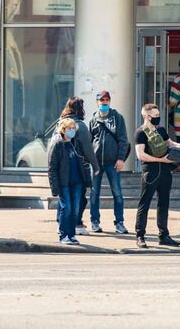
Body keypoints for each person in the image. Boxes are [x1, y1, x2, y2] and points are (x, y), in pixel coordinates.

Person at [134, 103, 180, 248]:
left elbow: (170, 144)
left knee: (164, 204)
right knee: (144, 204)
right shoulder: (140, 132)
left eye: (158, 115)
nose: (157, 117)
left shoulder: (160, 129)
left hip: (165, 171)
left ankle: (164, 236)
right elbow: (140, 155)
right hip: (150, 172)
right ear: (146, 116)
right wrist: (161, 160)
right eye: (154, 115)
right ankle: (140, 236)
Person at [49, 97, 100, 235]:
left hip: (64, 172)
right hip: (76, 171)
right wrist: (95, 166)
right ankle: (74, 225)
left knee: (65, 202)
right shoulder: (80, 126)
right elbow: (88, 149)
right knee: (77, 201)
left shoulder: (60, 123)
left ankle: (63, 225)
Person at [88, 91, 130, 234]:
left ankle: (119, 223)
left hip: (113, 162)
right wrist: (90, 160)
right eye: (102, 100)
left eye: (107, 100)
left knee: (117, 193)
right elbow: (89, 141)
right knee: (94, 194)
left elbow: (123, 140)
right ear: (97, 102)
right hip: (96, 163)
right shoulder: (93, 119)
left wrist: (121, 159)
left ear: (110, 101)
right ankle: (94, 222)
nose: (104, 102)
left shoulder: (117, 118)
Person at [48, 118, 93, 245]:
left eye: (73, 128)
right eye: (69, 128)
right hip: (64, 183)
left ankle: (72, 235)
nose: (72, 131)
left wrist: (87, 181)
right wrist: (54, 187)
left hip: (78, 182)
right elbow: (52, 168)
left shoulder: (77, 143)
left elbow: (84, 162)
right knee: (66, 208)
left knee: (75, 209)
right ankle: (64, 235)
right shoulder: (58, 145)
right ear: (63, 130)